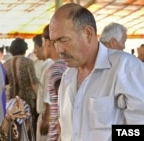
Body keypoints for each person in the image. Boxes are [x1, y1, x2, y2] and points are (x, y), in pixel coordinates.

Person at [49, 3, 144, 141]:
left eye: (63, 40)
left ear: (88, 33)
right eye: (54, 42)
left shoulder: (126, 68)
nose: (58, 50)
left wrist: (113, 135)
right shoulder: (67, 77)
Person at [3, 38, 39, 140]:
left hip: (11, 101)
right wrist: (39, 102)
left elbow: (5, 84)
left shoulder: (6, 64)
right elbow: (34, 83)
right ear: (25, 49)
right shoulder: (28, 62)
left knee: (13, 130)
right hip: (27, 101)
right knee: (27, 131)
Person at [41, 24, 67, 141]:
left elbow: (58, 96)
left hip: (57, 133)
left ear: (48, 42)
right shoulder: (70, 66)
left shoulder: (55, 68)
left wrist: (45, 120)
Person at [32, 34, 54, 141]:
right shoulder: (45, 65)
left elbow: (49, 99)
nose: (34, 51)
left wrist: (45, 120)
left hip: (48, 117)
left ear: (48, 43)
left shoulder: (51, 67)